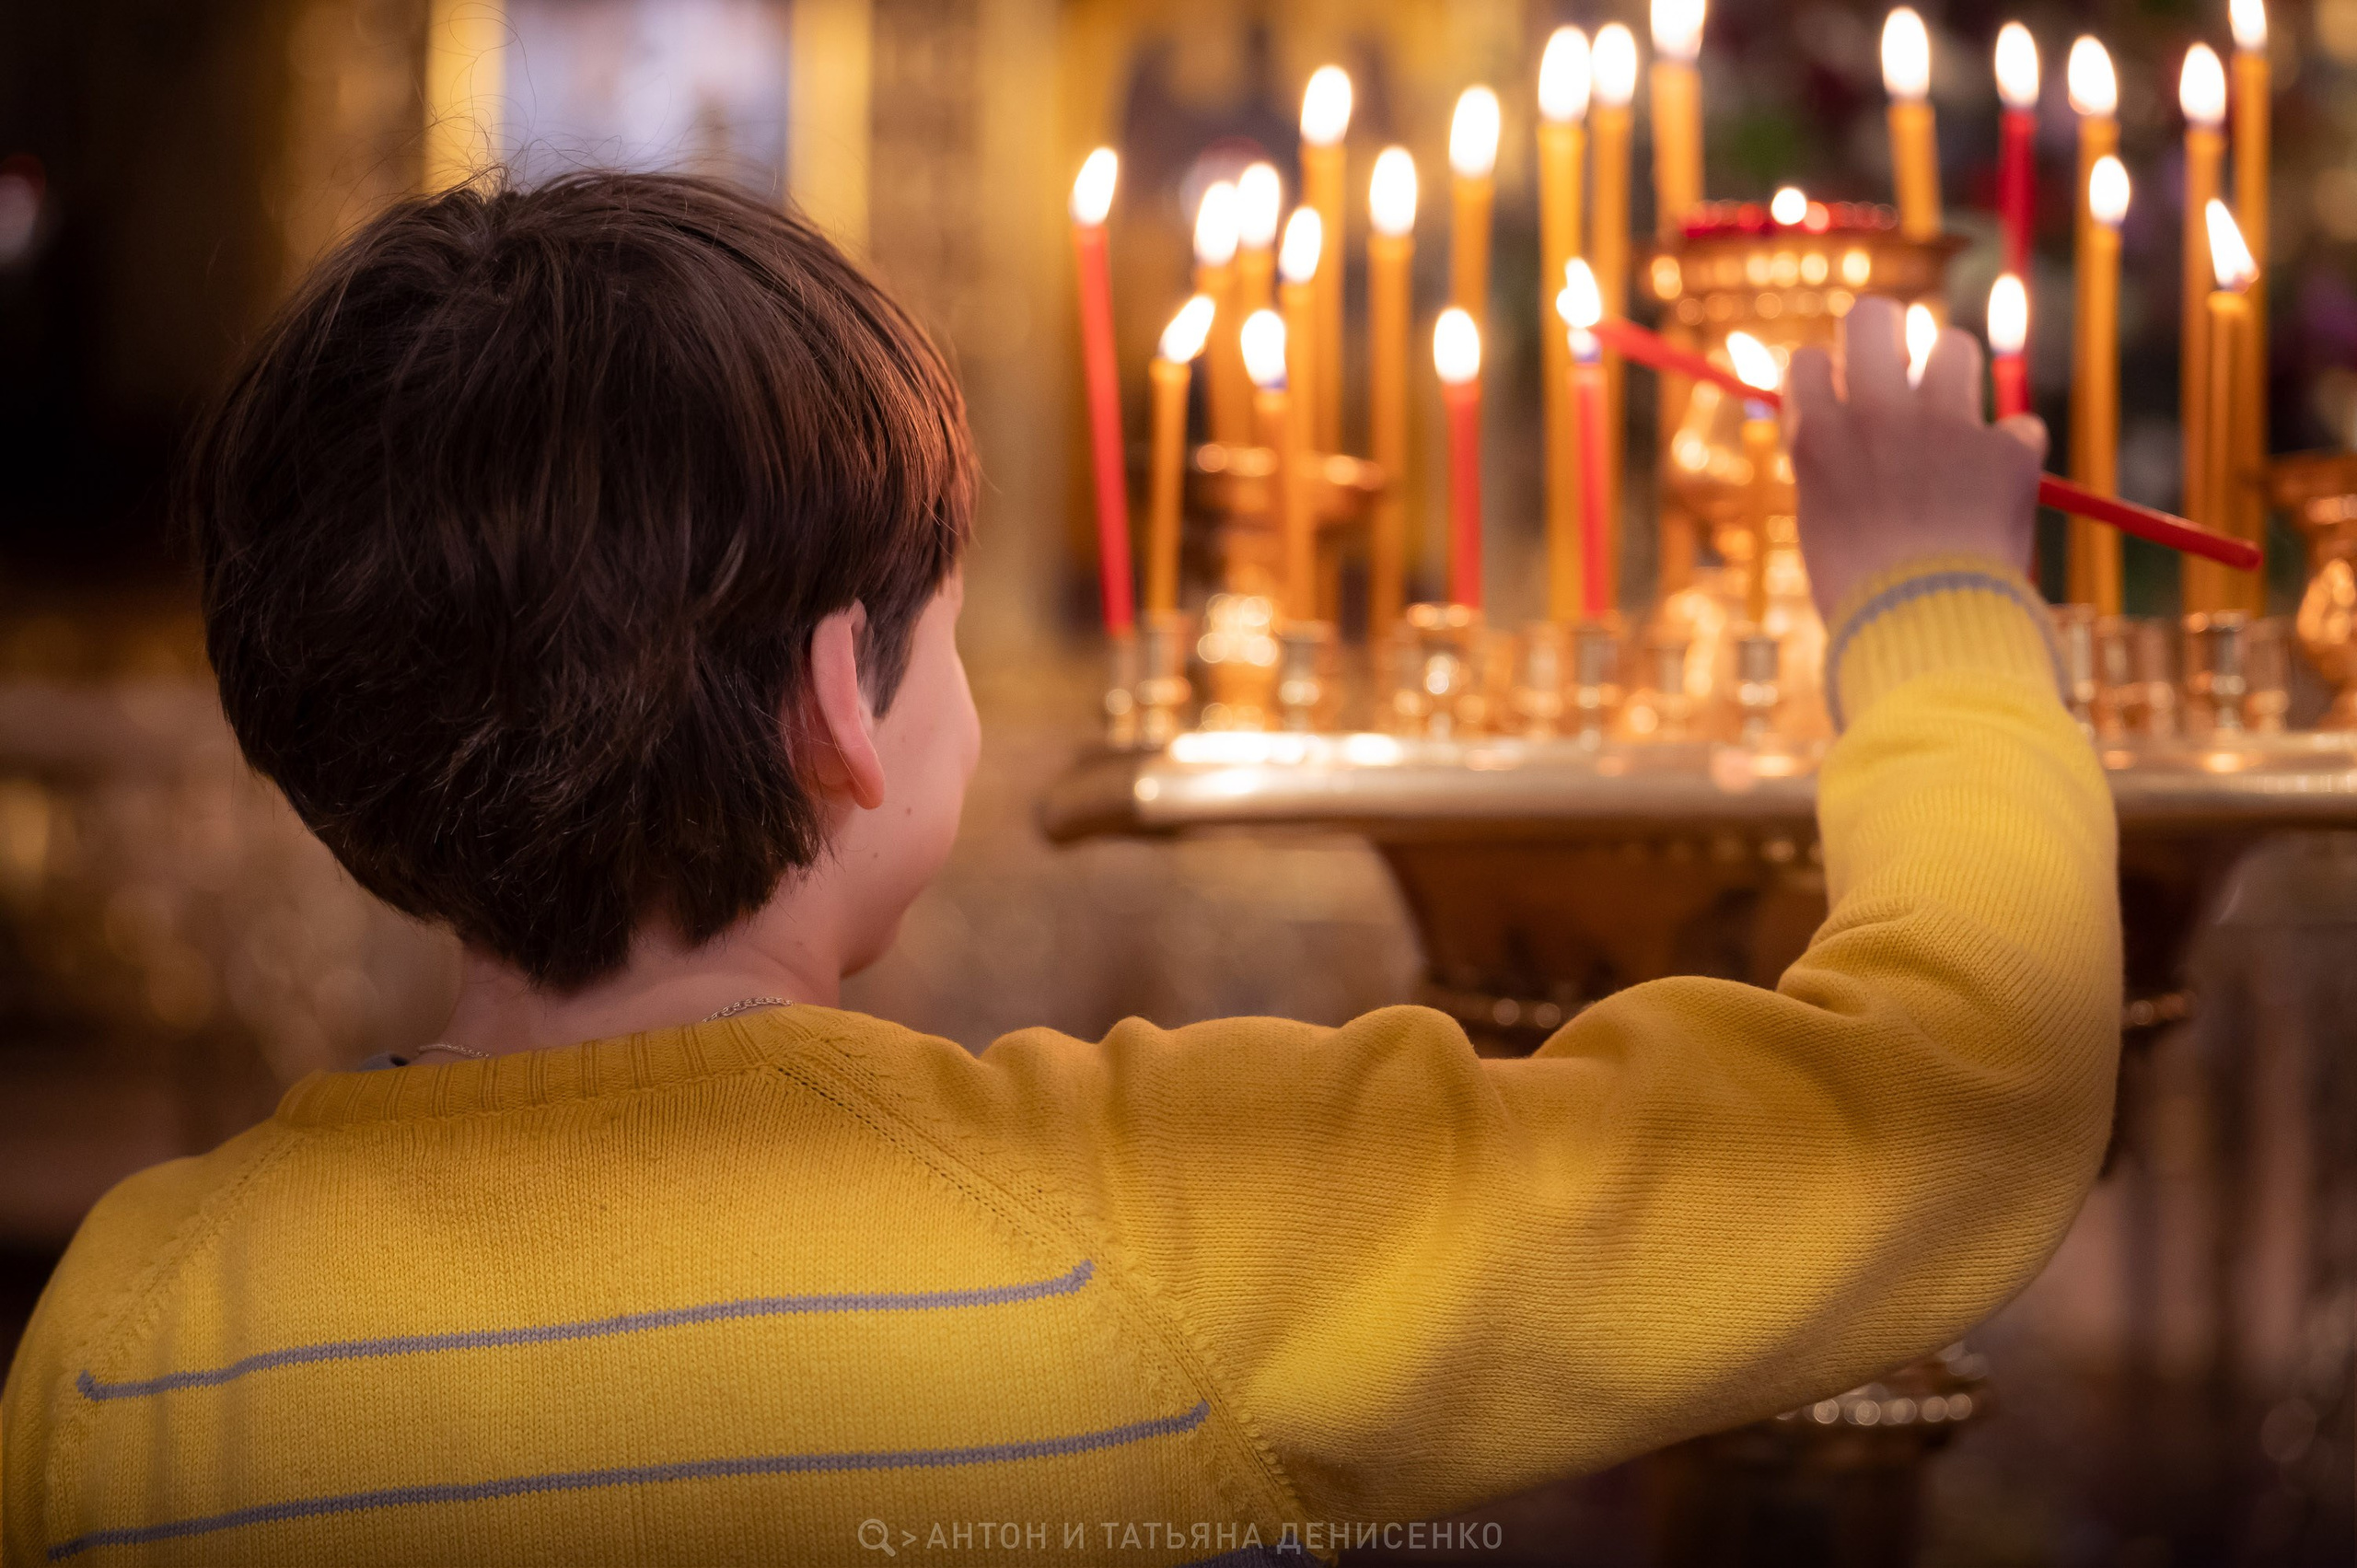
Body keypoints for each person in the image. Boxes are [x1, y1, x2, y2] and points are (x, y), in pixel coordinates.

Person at [2, 172, 2117, 1567]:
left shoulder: (128, 1337)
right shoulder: (1156, 1226)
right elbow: (1954, 1106)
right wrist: (1925, 605)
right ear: (847, 697)